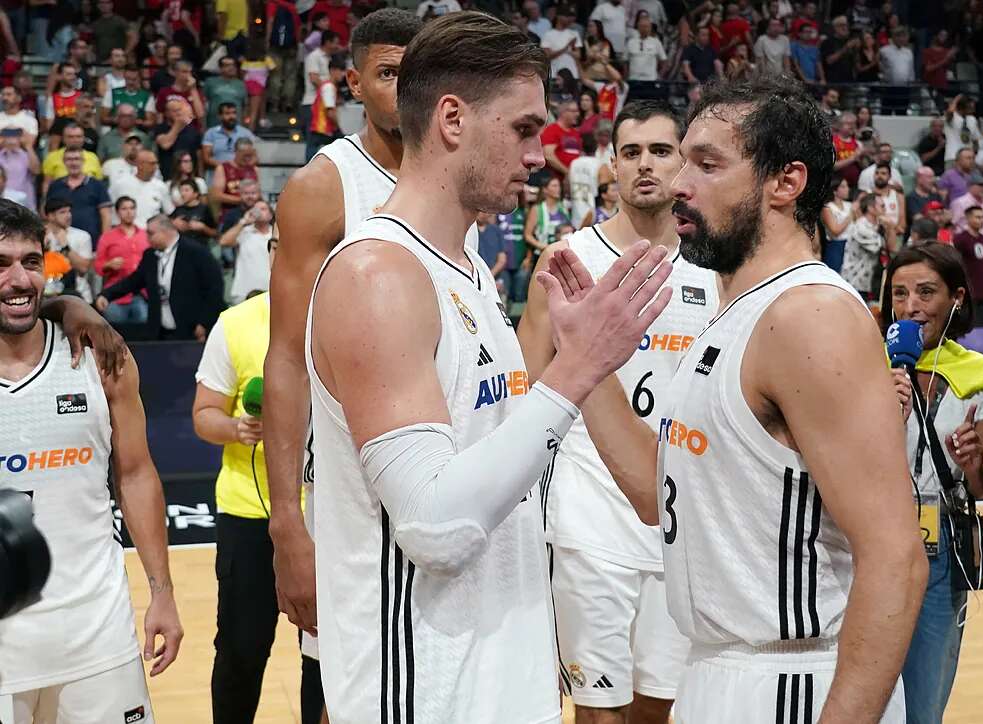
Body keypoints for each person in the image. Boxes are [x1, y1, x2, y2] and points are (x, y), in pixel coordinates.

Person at [304, 12, 671, 722]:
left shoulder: (466, 269)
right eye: (524, 128)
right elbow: (436, 528)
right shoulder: (378, 273)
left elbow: (494, 464)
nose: (542, 154)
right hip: (426, 692)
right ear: (451, 119)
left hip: (497, 681)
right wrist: (574, 371)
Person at [544, 74, 924, 722]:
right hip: (717, 670)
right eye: (682, 159)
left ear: (785, 182)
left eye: (707, 164)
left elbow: (896, 556)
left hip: (792, 678)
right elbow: (653, 494)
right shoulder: (734, 312)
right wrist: (586, 364)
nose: (679, 183)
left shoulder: (810, 315)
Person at [265, 13, 473, 723]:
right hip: (356, 499)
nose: (403, 87)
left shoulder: (458, 177)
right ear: (353, 83)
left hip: (451, 485)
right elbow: (286, 358)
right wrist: (287, 522)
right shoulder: (327, 187)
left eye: (415, 72)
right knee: (355, 692)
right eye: (388, 74)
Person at [518, 101, 714, 724]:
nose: (645, 165)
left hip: (680, 527)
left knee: (661, 708)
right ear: (612, 163)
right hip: (587, 523)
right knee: (599, 711)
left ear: (682, 160)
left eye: (660, 151)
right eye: (631, 153)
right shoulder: (566, 259)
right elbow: (525, 390)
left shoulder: (717, 267)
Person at [0, 199, 182, 723]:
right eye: (2, 263)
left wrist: (162, 593)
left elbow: (136, 473)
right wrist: (70, 303)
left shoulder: (101, 358)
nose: (19, 279)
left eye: (31, 263)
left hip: (96, 637)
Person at [880, 242, 983, 724]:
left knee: (925, 696)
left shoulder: (982, 374)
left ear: (956, 299)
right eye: (900, 293)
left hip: (941, 545)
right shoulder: (867, 366)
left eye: (926, 292)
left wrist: (973, 464)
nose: (911, 306)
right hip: (871, 539)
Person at [192, 235, 280, 723]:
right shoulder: (237, 324)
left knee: (327, 658)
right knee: (242, 652)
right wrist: (237, 428)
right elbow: (204, 415)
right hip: (249, 512)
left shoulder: (349, 314)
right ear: (270, 253)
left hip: (335, 515)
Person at [95, 214, 224, 341]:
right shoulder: (150, 255)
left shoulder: (196, 252)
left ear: (166, 232)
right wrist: (107, 294)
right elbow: (133, 281)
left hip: (191, 330)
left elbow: (215, 289)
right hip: (159, 331)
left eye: (151, 234)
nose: (147, 238)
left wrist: (204, 323)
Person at [94, 196, 150, 325]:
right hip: (116, 295)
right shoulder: (107, 237)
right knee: (115, 330)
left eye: (132, 208)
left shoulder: (146, 235)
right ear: (117, 212)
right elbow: (98, 266)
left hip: (142, 294)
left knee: (144, 330)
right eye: (124, 209)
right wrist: (109, 265)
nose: (129, 212)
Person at [45, 147, 112, 244]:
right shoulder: (55, 185)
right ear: (64, 162)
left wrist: (105, 243)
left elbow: (106, 216)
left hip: (91, 243)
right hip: (59, 241)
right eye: (69, 159)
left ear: (83, 161)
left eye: (77, 159)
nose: (73, 163)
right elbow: (49, 216)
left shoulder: (97, 185)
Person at [221, 199, 273, 303]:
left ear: (271, 215)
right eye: (256, 209)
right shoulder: (244, 231)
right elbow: (224, 241)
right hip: (244, 291)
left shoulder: (276, 233)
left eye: (263, 209)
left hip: (269, 290)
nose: (259, 212)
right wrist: (243, 221)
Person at [843, 191, 894, 298]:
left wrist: (890, 228)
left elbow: (891, 247)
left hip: (868, 282)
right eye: (882, 206)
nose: (885, 209)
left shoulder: (878, 226)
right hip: (855, 281)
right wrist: (890, 227)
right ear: (871, 209)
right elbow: (886, 246)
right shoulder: (861, 227)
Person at [109, 149, 174, 226]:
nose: (155, 167)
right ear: (140, 165)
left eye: (156, 163)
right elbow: (110, 209)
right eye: (152, 163)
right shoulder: (121, 184)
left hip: (151, 233)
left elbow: (169, 211)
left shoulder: (161, 186)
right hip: (126, 232)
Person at [306, 53, 345, 160]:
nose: (343, 74)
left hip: (320, 131)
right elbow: (330, 112)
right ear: (332, 70)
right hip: (323, 131)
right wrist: (339, 129)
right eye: (340, 70)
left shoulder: (327, 85)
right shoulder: (328, 87)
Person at [201, 102, 257, 172]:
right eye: (227, 113)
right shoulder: (211, 133)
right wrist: (226, 168)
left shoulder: (246, 133)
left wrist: (240, 168)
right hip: (217, 173)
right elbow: (206, 158)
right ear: (220, 116)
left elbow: (255, 157)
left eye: (234, 113)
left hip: (241, 174)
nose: (231, 116)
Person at [524, 176, 570, 259]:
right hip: (543, 254)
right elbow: (528, 235)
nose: (558, 189)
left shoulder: (563, 208)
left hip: (562, 253)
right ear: (545, 189)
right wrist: (543, 247)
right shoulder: (537, 209)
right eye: (554, 186)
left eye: (559, 186)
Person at [952, 206, 983, 306]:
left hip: (982, 290)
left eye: (982, 217)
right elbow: (957, 264)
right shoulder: (960, 239)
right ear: (968, 219)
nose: (981, 220)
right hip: (967, 290)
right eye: (977, 217)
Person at [154, 97, 203, 175]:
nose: (178, 113)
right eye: (175, 111)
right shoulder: (160, 129)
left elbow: (199, 155)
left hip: (190, 176)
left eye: (180, 110)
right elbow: (165, 145)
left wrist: (200, 174)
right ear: (166, 113)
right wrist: (177, 126)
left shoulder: (192, 130)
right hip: (168, 174)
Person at [212, 138, 259, 216]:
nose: (248, 159)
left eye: (250, 155)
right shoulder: (223, 168)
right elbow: (217, 195)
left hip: (251, 212)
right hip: (229, 212)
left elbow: (258, 193)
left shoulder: (254, 169)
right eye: (245, 156)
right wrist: (242, 200)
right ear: (236, 152)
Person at [541, 97, 582, 182]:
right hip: (556, 180)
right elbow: (548, 156)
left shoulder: (576, 133)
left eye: (577, 111)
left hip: (575, 179)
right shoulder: (552, 130)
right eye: (574, 111)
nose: (577, 114)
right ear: (563, 112)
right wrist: (567, 172)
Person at [203, 55, 248, 129]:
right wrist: (203, 126)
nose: (232, 67)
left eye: (233, 65)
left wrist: (245, 125)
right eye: (227, 65)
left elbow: (245, 106)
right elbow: (203, 104)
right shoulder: (210, 82)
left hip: (236, 126)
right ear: (220, 68)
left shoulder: (241, 84)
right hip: (214, 126)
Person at [0, 127, 38, 211]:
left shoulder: (26, 155)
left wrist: (29, 146)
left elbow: (36, 170)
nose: (11, 140)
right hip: (3, 200)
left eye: (14, 136)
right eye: (8, 136)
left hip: (24, 201)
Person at [170, 179, 217, 246]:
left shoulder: (204, 209)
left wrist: (203, 228)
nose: (183, 194)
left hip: (200, 246)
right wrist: (173, 223)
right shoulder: (178, 210)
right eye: (181, 191)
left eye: (186, 190)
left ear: (195, 193)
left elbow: (215, 233)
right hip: (182, 247)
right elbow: (166, 224)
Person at [821, 176, 853, 272]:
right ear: (835, 190)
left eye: (847, 186)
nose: (847, 189)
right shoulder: (828, 208)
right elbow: (835, 230)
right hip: (836, 246)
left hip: (851, 244)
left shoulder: (849, 205)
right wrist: (850, 216)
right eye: (843, 186)